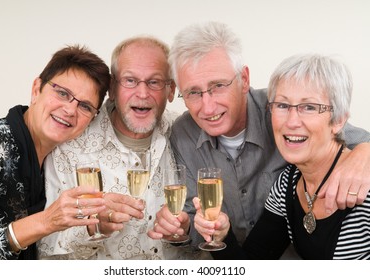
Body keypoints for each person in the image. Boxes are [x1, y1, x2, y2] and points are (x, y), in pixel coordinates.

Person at [147, 21, 370, 258]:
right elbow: (250, 263)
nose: (208, 106)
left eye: (219, 85)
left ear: (244, 79)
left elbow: (345, 134)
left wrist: (364, 152)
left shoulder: (277, 108)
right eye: (193, 92)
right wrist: (197, 230)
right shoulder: (287, 184)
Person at [37, 36, 206, 260]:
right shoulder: (69, 147)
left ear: (171, 90)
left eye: (154, 82)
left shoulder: (186, 134)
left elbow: (211, 229)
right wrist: (91, 228)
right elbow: (47, 250)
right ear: (112, 88)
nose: (143, 93)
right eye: (130, 80)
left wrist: (186, 230)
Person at [194, 53, 370, 259]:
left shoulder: (364, 186)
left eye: (309, 107)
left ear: (338, 120)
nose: (292, 121)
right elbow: (252, 265)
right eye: (283, 105)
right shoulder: (287, 183)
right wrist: (222, 235)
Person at [0, 45, 111, 259]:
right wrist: (46, 221)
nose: (70, 110)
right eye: (62, 93)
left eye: (85, 106)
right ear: (36, 89)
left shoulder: (58, 157)